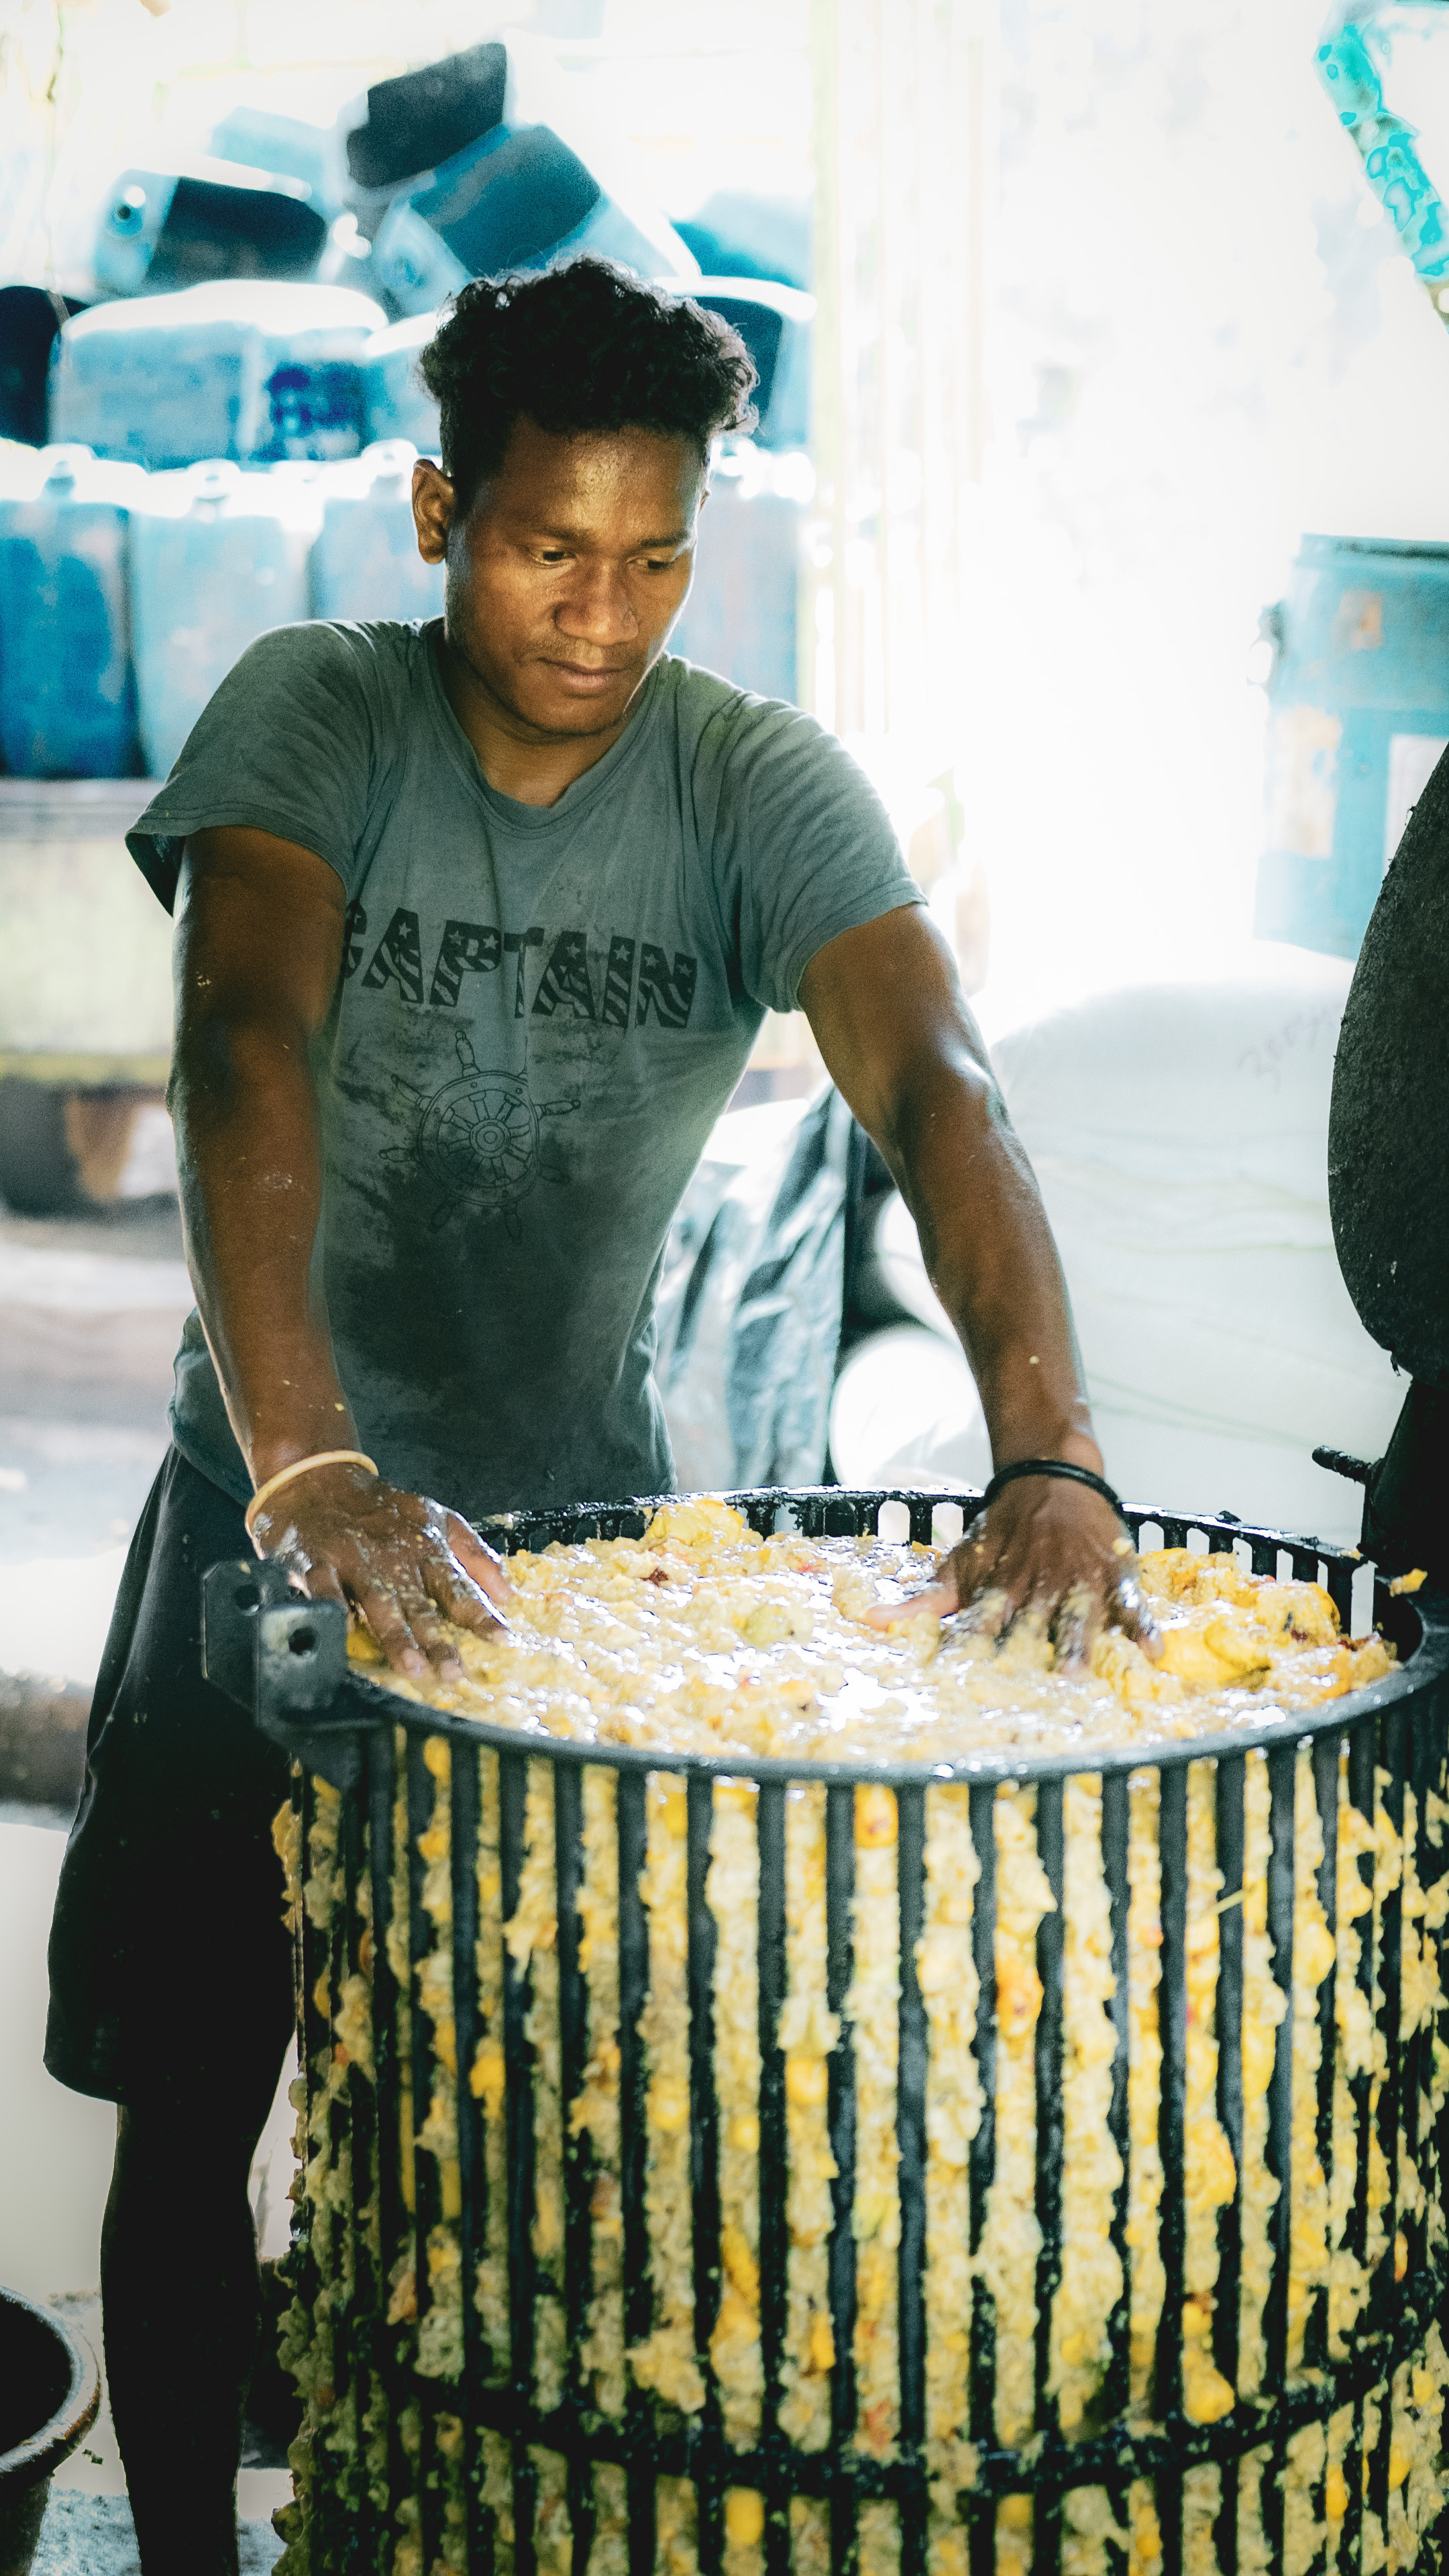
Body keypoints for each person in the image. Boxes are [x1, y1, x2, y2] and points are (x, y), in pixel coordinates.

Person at [45, 258, 1154, 2575]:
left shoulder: (754, 787)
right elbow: (243, 1037)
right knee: (195, 2103)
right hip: (260, 1514)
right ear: (445, 509)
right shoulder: (315, 719)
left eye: (656, 558)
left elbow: (941, 1090)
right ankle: (171, 2560)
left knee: (521, 2139)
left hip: (573, 1602)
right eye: (553, 549)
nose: (604, 613)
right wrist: (314, 1467)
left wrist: (1048, 1439)